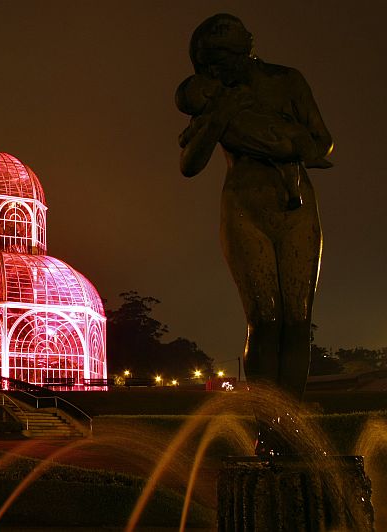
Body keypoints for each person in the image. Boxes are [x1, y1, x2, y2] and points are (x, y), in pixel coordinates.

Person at [177, 14, 333, 455]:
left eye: (225, 57)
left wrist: (287, 144)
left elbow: (323, 142)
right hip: (244, 208)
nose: (219, 69)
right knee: (264, 320)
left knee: (297, 320)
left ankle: (293, 422)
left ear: (246, 47)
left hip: (296, 208)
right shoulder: (216, 97)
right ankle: (269, 426)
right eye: (211, 63)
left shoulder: (287, 81)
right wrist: (220, 115)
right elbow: (190, 163)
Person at [177, 72, 332, 209]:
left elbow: (322, 139)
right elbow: (188, 163)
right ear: (207, 92)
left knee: (288, 157)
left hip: (264, 132)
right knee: (291, 149)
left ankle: (295, 191)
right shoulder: (214, 112)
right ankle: (303, 170)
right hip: (264, 137)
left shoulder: (283, 79)